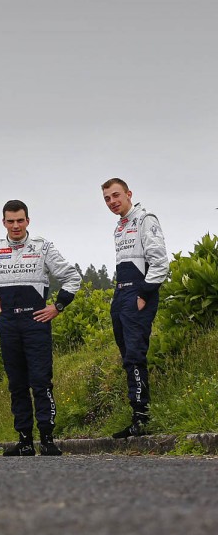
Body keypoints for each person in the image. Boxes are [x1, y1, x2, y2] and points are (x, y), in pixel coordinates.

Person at [0, 200, 81, 456]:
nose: (16, 225)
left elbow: (72, 277)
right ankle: (24, 441)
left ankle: (47, 439)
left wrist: (59, 306)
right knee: (17, 384)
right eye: (11, 221)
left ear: (28, 221)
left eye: (20, 220)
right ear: (4, 223)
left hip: (36, 321)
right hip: (8, 322)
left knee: (41, 382)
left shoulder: (43, 247)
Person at [101, 178, 168, 438]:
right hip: (121, 294)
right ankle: (136, 416)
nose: (112, 202)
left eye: (116, 195)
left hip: (138, 293)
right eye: (107, 198)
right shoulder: (119, 227)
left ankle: (142, 417)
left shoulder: (145, 219)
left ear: (128, 194)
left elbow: (160, 262)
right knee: (126, 355)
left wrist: (143, 294)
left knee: (135, 355)